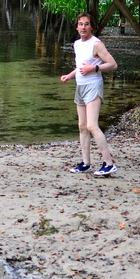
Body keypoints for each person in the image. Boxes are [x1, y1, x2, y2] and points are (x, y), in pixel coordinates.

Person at [60, 13, 118, 177]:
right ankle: (86, 163)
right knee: (82, 126)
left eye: (86, 24)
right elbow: (80, 67)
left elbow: (113, 64)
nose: (83, 27)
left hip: (93, 85)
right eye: (80, 24)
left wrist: (95, 68)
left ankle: (109, 164)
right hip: (80, 86)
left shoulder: (96, 44)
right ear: (77, 27)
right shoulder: (77, 44)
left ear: (92, 27)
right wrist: (69, 76)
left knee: (92, 125)